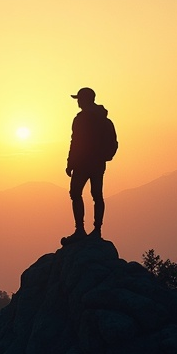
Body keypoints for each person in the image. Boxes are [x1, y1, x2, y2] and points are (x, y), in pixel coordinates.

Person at [61, 87, 117, 245]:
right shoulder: (104, 119)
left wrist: (70, 163)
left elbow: (75, 142)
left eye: (79, 99)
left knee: (76, 193)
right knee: (97, 195)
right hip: (98, 163)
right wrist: (105, 157)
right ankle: (96, 231)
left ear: (85, 99)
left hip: (82, 163)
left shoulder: (80, 119)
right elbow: (113, 141)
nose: (77, 102)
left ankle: (80, 230)